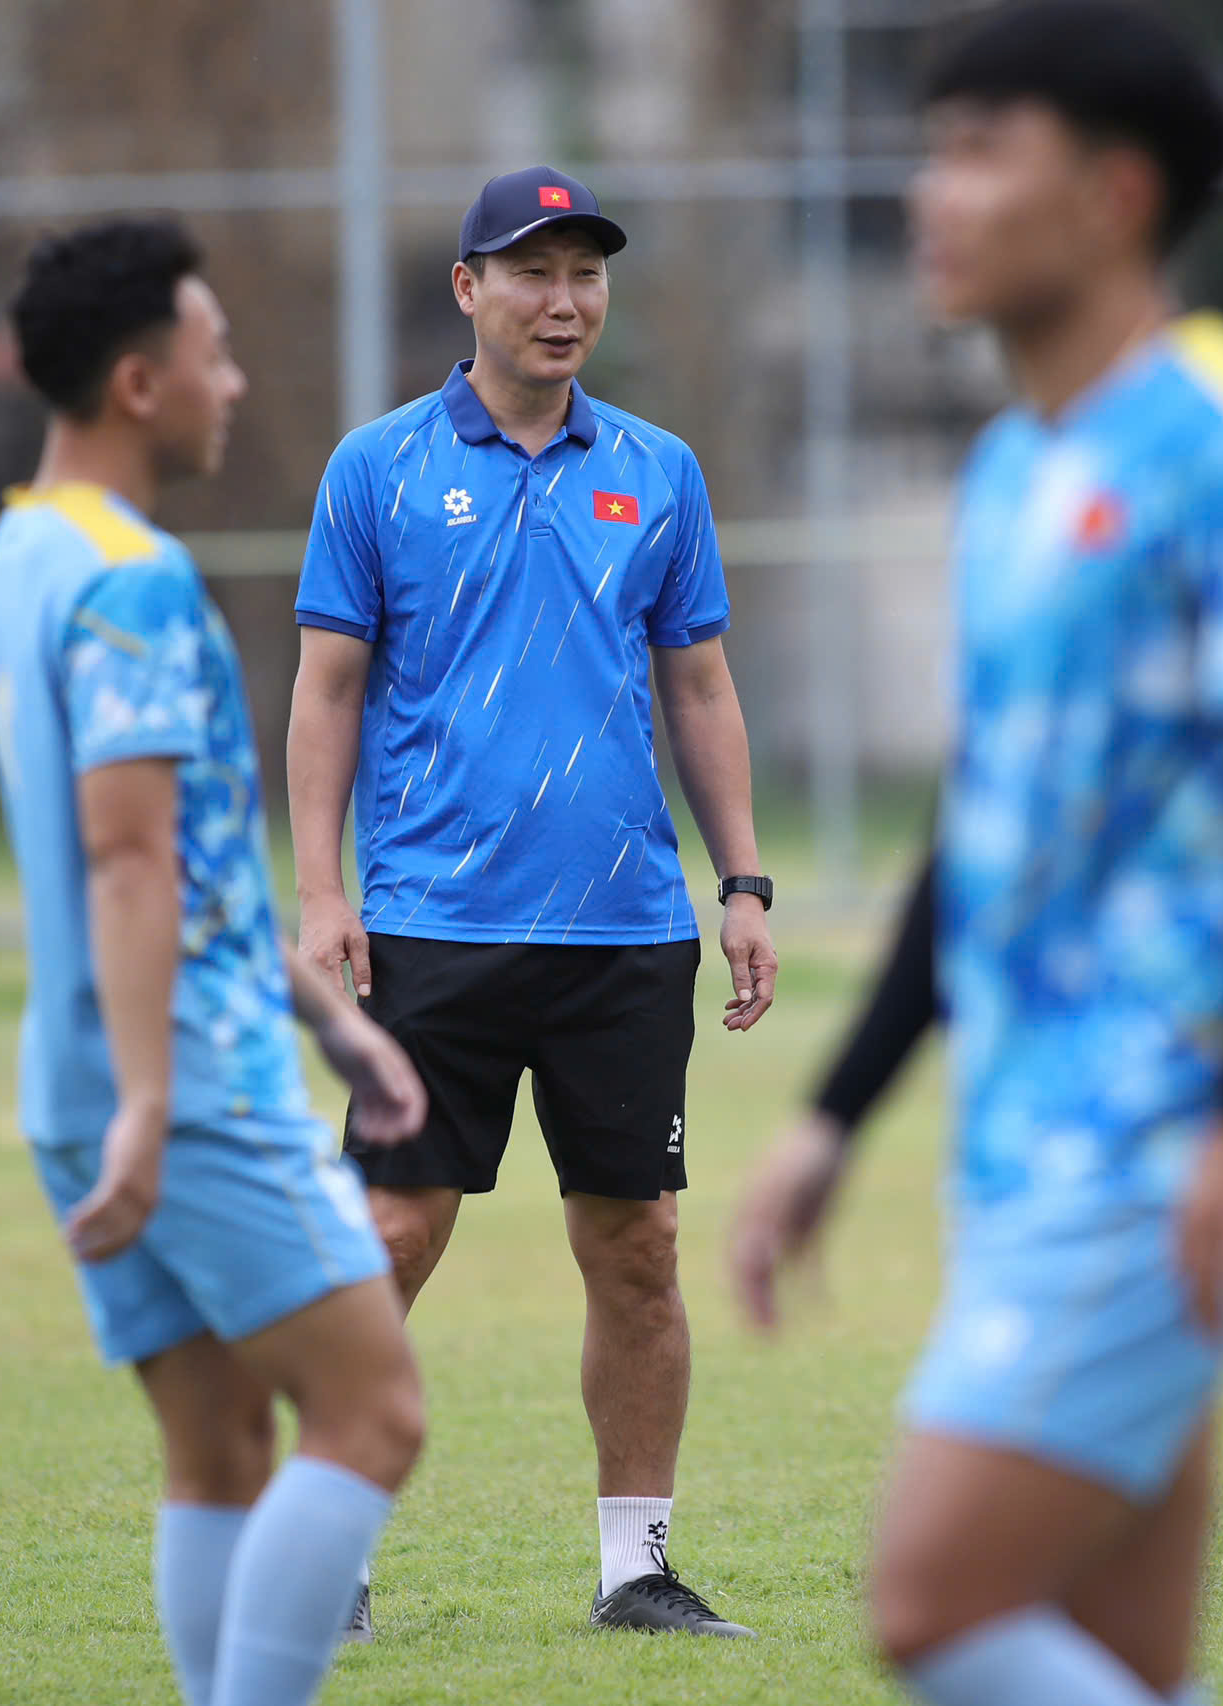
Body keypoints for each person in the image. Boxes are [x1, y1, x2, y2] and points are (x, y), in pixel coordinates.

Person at [728, 6, 1223, 1703]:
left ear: (1111, 193)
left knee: (928, 1602)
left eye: (976, 148)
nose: (927, 192)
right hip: (1031, 1125)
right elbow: (985, 829)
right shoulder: (1016, 469)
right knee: (1117, 1661)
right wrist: (833, 1116)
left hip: (1160, 1143)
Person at [286, 166, 770, 1637]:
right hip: (434, 922)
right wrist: (321, 892)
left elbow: (699, 684)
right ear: (467, 290)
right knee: (392, 1236)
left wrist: (740, 877)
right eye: (533, 272)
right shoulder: (375, 468)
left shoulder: (659, 470)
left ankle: (638, 1567)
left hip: (627, 927)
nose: (566, 302)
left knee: (639, 1244)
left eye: (587, 275)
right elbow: (326, 689)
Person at [0, 217, 431, 1706]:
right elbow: (129, 855)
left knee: (220, 1445)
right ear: (136, 380)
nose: (233, 380)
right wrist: (158, 1103)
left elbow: (197, 864)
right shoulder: (134, 578)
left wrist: (335, 1024)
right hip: (187, 1085)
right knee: (374, 1410)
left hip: (83, 1068)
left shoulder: (23, 547)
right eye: (212, 351)